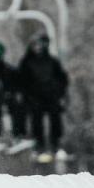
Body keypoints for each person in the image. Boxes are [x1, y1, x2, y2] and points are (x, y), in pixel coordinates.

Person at [16, 32, 69, 160]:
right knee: (37, 122)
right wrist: (26, 96)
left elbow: (62, 79)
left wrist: (60, 94)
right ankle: (39, 147)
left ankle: (56, 146)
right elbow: (21, 81)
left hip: (51, 97)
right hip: (35, 98)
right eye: (36, 45)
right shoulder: (26, 62)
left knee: (55, 120)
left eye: (40, 44)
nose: (38, 47)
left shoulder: (52, 62)